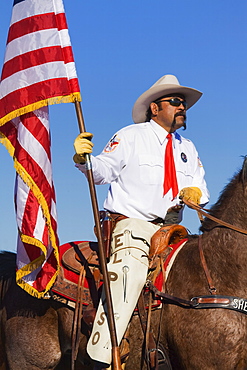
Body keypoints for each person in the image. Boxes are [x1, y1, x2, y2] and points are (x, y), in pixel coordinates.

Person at [73, 74, 209, 366]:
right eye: (175, 101)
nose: (181, 106)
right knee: (128, 275)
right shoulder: (130, 136)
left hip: (174, 232)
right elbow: (102, 171)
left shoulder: (189, 148)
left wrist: (196, 192)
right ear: (155, 108)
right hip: (131, 228)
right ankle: (101, 357)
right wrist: (84, 158)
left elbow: (202, 188)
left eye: (183, 103)